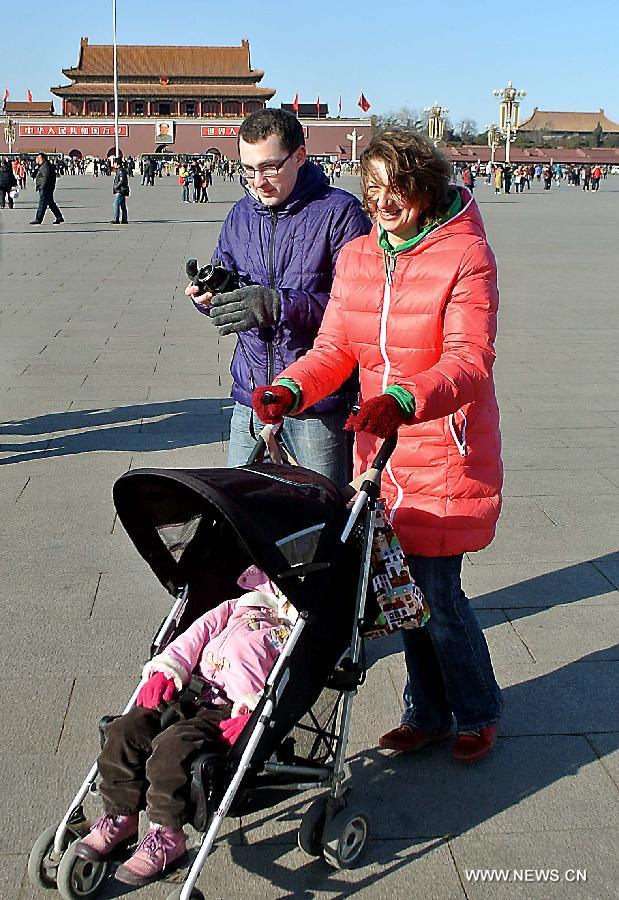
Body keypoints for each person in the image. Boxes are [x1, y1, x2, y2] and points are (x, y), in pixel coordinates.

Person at [253, 129, 503, 764]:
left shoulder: (464, 254)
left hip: (444, 447)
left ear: (424, 183)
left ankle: (476, 710)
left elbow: (469, 361)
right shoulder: (360, 255)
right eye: (371, 187)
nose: (383, 200)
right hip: (382, 458)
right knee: (401, 596)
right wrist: (289, 389)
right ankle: (427, 711)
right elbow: (337, 348)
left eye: (395, 186)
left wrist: (406, 400)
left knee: (439, 597)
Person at [74, 565, 296, 887]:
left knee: (172, 748)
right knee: (125, 729)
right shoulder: (236, 606)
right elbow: (195, 636)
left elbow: (284, 682)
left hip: (226, 711)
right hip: (189, 689)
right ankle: (120, 815)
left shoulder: (288, 632)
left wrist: (254, 710)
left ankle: (167, 835)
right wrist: (168, 668)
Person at [185, 108, 371, 487]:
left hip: (316, 401)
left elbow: (360, 309)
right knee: (239, 514)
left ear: (300, 156)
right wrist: (210, 296)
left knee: (323, 518)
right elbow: (230, 280)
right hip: (251, 396)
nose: (258, 182)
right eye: (248, 169)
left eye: (269, 168)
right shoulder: (240, 216)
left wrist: (278, 305)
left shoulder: (340, 214)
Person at [30, 153, 64, 225]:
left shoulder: (46, 166)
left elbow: (46, 177)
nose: (38, 160)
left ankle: (38, 219)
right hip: (46, 187)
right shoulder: (41, 166)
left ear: (44, 158)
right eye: (37, 158)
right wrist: (36, 168)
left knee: (42, 203)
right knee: (50, 202)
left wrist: (42, 186)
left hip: (45, 187)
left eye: (39, 158)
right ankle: (59, 217)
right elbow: (32, 175)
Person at [111, 157, 129, 224]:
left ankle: (116, 219)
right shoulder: (120, 170)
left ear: (117, 163)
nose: (114, 165)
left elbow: (121, 181)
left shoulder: (120, 170)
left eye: (114, 163)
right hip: (122, 190)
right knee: (122, 205)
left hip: (120, 190)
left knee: (116, 204)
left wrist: (116, 186)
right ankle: (124, 219)